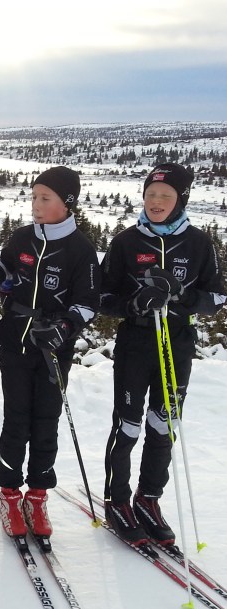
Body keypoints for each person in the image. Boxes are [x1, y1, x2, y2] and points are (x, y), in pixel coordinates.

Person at [98, 163, 225, 545]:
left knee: (163, 423)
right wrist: (134, 304)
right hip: (136, 343)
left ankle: (148, 498)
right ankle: (117, 500)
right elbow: (102, 297)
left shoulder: (199, 243)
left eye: (165, 196)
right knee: (127, 425)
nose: (156, 202)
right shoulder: (126, 242)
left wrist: (181, 294)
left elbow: (217, 297)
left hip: (177, 342)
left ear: (180, 200)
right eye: (150, 194)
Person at [0, 166, 99, 541]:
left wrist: (64, 328)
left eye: (45, 198)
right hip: (16, 340)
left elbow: (88, 303)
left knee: (46, 421)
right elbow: (2, 263)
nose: (36, 205)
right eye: (34, 197)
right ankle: (10, 493)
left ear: (67, 203)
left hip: (53, 349)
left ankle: (38, 495)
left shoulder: (81, 249)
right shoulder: (23, 237)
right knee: (16, 419)